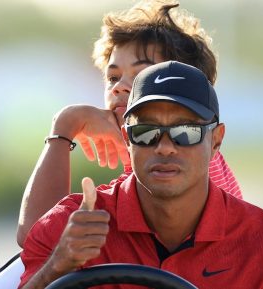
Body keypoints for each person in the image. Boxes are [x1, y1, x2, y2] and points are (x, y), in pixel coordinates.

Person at [19, 61, 263, 289]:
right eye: (146, 132)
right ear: (127, 139)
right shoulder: (68, 226)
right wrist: (58, 265)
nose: (166, 147)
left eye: (186, 132)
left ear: (216, 140)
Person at [17, 0, 242, 247]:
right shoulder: (137, 164)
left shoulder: (191, 155)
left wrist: (63, 127)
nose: (118, 87)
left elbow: (38, 239)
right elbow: (39, 244)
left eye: (141, 76)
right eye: (113, 77)